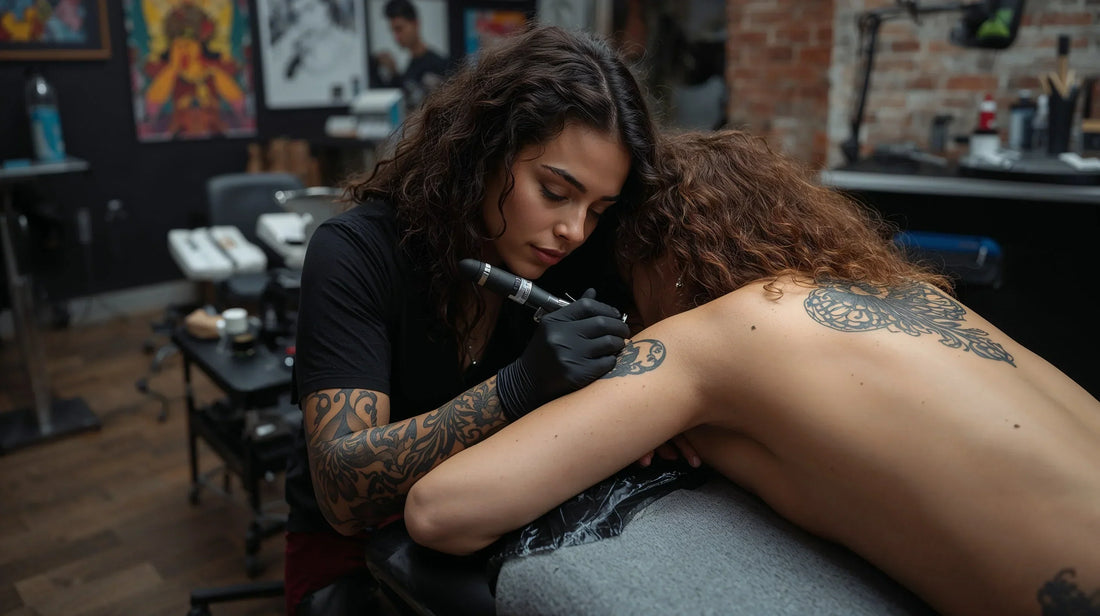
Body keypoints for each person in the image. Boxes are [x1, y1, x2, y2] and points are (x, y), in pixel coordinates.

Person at [403, 129, 1100, 616]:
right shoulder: (909, 292)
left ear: (659, 258)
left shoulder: (711, 336)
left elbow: (442, 512)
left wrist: (648, 402)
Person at [284, 24, 657, 615]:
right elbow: (341, 491)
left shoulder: (573, 255)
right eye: (555, 191)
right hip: (353, 555)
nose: (575, 229)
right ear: (486, 150)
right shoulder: (354, 253)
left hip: (484, 530)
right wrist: (518, 387)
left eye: (598, 208)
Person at [372, 0, 449, 109]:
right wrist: (394, 74)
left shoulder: (440, 64)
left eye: (399, 29)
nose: (397, 37)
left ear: (415, 24)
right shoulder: (408, 71)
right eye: (393, 31)